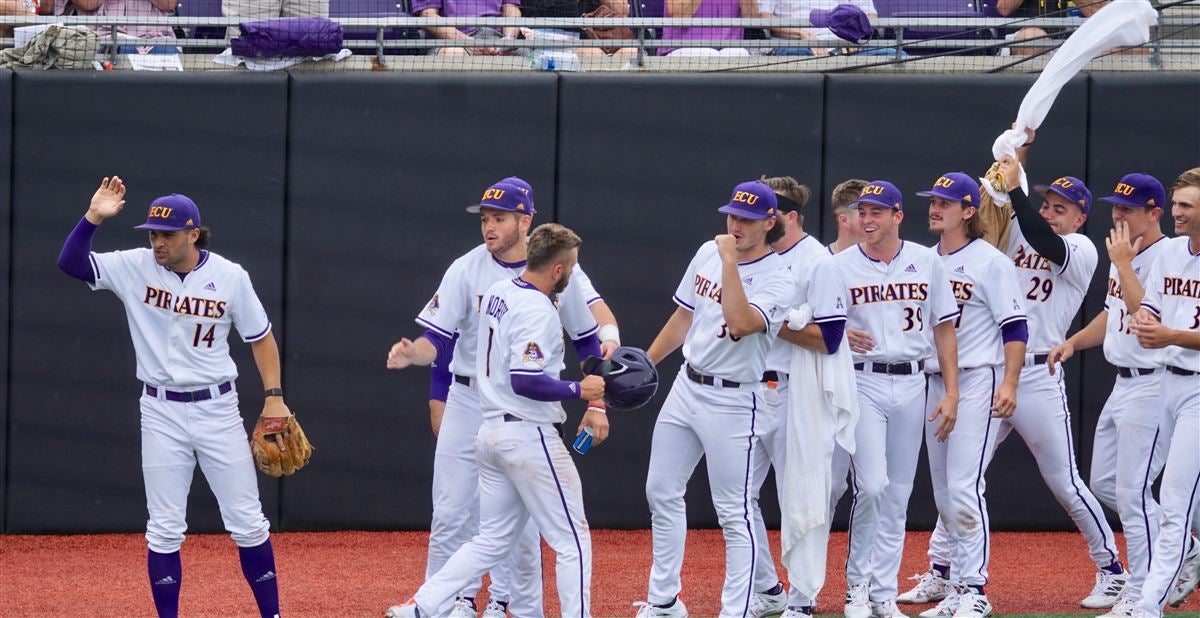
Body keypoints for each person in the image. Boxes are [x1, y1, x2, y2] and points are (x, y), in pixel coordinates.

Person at [56, 177, 288, 618]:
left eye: (167, 234)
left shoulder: (230, 276)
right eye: (152, 233)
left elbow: (261, 338)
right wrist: (92, 218)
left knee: (247, 521)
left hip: (218, 409)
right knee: (163, 530)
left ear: (193, 234)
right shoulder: (134, 266)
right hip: (160, 410)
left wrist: (273, 396)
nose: (157, 241)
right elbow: (71, 264)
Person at [385, 179, 614, 618]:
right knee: (458, 515)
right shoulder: (475, 272)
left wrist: (596, 401)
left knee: (505, 534)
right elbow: (443, 340)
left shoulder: (541, 278)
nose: (488, 226)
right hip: (498, 406)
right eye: (485, 219)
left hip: (499, 416)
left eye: (499, 218)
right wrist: (419, 358)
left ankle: (495, 605)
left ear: (525, 222)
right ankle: (446, 604)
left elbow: (589, 337)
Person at [913, 141, 1126, 610]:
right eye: (1047, 204)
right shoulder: (1011, 239)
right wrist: (1010, 163)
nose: (1051, 213)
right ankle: (942, 570)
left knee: (1064, 482)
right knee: (960, 477)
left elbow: (1042, 237)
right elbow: (991, 220)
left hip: (1037, 374)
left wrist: (1019, 195)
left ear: (1080, 218)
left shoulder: (1080, 249)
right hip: (990, 374)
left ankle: (1112, 569)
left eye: (1062, 209)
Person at [635, 180, 794, 617]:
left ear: (769, 222)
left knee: (734, 510)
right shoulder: (709, 252)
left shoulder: (779, 277)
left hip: (736, 399)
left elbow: (740, 322)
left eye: (746, 218)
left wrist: (729, 260)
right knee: (661, 490)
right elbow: (685, 315)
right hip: (687, 386)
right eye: (731, 215)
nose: (735, 224)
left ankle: (736, 610)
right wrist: (647, 363)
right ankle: (664, 601)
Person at [899, 173, 1028, 618]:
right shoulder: (923, 260)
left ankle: (973, 589)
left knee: (964, 486)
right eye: (932, 200)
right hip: (933, 382)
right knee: (942, 491)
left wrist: (1009, 382)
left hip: (977, 379)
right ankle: (953, 583)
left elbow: (1015, 327)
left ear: (969, 211)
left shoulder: (990, 261)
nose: (935, 208)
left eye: (946, 203)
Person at [832, 180, 960, 618]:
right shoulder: (841, 265)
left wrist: (953, 391)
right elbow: (817, 323)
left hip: (912, 383)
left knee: (899, 493)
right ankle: (856, 589)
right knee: (870, 487)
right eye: (861, 212)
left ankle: (884, 592)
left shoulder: (927, 261)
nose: (867, 220)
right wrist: (840, 332)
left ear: (897, 216)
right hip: (862, 381)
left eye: (876, 212)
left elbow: (944, 328)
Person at [1044, 173, 1171, 618]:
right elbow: (1112, 311)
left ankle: (1143, 591)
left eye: (1129, 209)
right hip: (1123, 382)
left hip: (1156, 382)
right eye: (1115, 206)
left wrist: (1124, 265)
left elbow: (1149, 317)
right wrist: (1074, 342)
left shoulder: (1165, 256)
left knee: (1134, 494)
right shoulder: (1126, 253)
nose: (1117, 215)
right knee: (1103, 484)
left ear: (1155, 213)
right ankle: (1176, 547)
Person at [747, 175, 839, 616]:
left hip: (792, 390)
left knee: (799, 497)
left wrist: (767, 319)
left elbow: (831, 338)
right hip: (746, 387)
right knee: (738, 497)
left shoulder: (816, 261)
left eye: (772, 212)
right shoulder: (749, 257)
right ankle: (767, 588)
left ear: (790, 216)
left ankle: (803, 597)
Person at [1127, 167, 1200, 618]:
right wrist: (1145, 323)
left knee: (1174, 502)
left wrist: (1168, 333)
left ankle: (1147, 604)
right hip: (1168, 384)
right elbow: (1149, 309)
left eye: (1186, 205)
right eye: (1175, 203)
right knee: (1187, 503)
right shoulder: (1172, 252)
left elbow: (1169, 329)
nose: (1176, 212)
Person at [43, 0, 177, 52]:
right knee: (124, 51)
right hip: (101, 38)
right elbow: (87, 3)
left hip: (154, 37)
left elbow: (169, 3)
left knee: (166, 52)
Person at [412, 0, 521, 56]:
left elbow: (511, 9)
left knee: (534, 58)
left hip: (497, 42)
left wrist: (508, 41)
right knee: (454, 54)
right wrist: (470, 43)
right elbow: (428, 16)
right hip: (454, 42)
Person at [660, 0, 757, 56]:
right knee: (707, 54)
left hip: (730, 49)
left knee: (739, 53)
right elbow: (679, 15)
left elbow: (752, 18)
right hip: (682, 48)